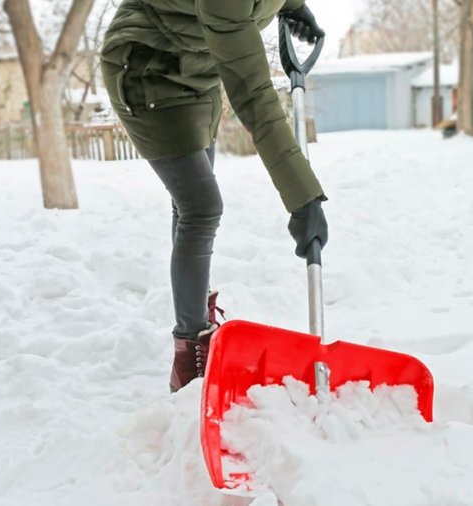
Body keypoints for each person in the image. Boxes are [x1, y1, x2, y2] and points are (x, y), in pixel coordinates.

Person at [100, 0, 329, 393]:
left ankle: (193, 310)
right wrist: (301, 196)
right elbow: (255, 94)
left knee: (189, 205)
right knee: (201, 207)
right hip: (147, 70)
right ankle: (189, 355)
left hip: (200, 72)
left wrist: (293, 6)